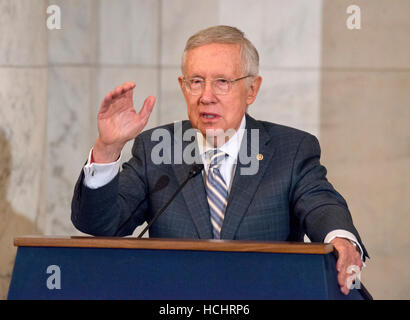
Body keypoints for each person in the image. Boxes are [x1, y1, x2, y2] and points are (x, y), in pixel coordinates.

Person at [71, 25, 368, 295]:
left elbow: (321, 204)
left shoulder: (290, 149)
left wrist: (340, 239)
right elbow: (102, 225)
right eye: (196, 82)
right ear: (183, 86)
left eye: (222, 81)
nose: (206, 96)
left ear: (252, 89)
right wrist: (108, 149)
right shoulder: (156, 149)